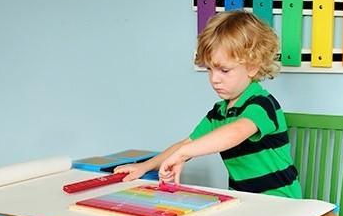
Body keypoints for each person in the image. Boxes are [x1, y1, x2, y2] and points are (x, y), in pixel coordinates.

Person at [114, 10, 302, 198]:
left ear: (252, 67)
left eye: (224, 70)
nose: (214, 79)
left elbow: (235, 133)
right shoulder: (219, 113)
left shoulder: (262, 104)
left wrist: (184, 153)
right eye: (210, 69)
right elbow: (187, 143)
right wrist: (145, 166)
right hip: (245, 199)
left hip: (281, 201)